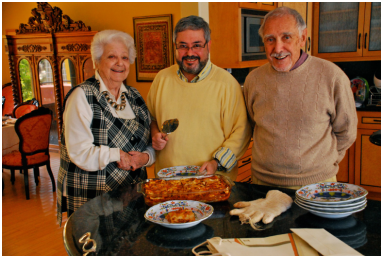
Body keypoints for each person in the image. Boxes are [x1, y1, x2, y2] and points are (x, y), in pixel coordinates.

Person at [243, 6, 358, 190]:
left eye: (286, 37)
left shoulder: (332, 76)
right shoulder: (253, 80)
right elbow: (250, 125)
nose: (278, 48)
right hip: (262, 184)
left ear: (302, 38)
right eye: (270, 39)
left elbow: (347, 132)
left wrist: (320, 165)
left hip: (317, 186)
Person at [57, 30, 155, 225]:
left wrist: (145, 157)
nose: (120, 63)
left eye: (125, 57)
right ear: (96, 61)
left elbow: (150, 143)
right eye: (112, 57)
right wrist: (117, 155)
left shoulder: (135, 97)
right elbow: (79, 152)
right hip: (93, 199)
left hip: (130, 196)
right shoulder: (82, 96)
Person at [147, 15, 251, 181]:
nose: (190, 53)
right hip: (168, 183)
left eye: (196, 46)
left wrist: (216, 162)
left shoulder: (227, 84)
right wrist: (155, 134)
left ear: (208, 46)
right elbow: (151, 117)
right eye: (183, 46)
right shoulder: (161, 79)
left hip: (212, 182)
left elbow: (241, 132)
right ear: (175, 46)